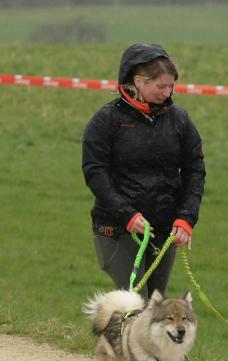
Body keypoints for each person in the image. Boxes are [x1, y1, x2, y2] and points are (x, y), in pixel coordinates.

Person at [82, 43, 205, 298]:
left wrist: (186, 218)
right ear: (138, 81)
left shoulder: (180, 120)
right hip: (118, 229)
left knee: (155, 309)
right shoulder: (106, 121)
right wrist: (126, 215)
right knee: (135, 304)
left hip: (164, 228)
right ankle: (114, 337)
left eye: (171, 85)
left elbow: (195, 169)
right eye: (161, 86)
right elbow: (95, 172)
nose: (167, 92)